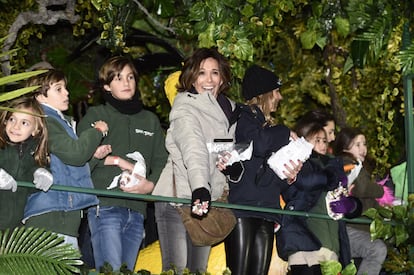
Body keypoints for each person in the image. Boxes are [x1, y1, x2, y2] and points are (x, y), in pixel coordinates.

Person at [152, 47, 239, 274]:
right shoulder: (185, 107)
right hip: (178, 197)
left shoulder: (230, 112)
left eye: (215, 72)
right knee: (176, 270)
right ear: (191, 77)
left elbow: (223, 153)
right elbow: (194, 149)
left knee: (199, 270)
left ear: (223, 77)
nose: (208, 79)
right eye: (201, 73)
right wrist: (200, 187)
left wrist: (233, 170)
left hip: (209, 200)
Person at [77, 55, 168, 271]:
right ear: (107, 86)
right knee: (111, 270)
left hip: (137, 212)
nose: (126, 83)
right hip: (105, 206)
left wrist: (151, 185)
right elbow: (79, 159)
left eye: (130, 77)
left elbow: (162, 160)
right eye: (118, 79)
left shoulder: (150, 120)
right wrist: (111, 159)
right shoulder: (96, 115)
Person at [222, 65, 302, 275]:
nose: (280, 97)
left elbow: (268, 175)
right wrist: (285, 132)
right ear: (264, 94)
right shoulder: (244, 117)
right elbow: (257, 145)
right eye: (276, 91)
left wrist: (288, 176)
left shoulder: (271, 128)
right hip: (243, 209)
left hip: (267, 210)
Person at [23, 69, 109, 250]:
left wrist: (92, 157)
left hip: (61, 215)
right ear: (40, 96)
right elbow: (75, 154)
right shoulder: (48, 121)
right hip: (53, 215)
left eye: (65, 88)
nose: (67, 93)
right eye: (58, 89)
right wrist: (96, 132)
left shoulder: (58, 121)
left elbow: (71, 165)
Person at [277, 121, 359, 275]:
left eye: (324, 141)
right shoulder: (297, 163)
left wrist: (351, 206)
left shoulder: (332, 164)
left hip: (331, 244)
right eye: (317, 140)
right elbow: (306, 181)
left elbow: (346, 201)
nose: (322, 144)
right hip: (304, 243)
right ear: (303, 140)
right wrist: (333, 175)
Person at [334, 127, 387, 275]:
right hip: (350, 228)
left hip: (359, 228)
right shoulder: (348, 163)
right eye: (357, 144)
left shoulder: (359, 166)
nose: (363, 148)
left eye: (364, 144)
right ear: (345, 146)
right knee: (377, 249)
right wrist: (380, 190)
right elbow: (362, 189)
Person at [0, 96, 51, 231]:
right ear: (5, 121)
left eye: (24, 123)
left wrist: (39, 173)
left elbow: (27, 186)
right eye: (12, 119)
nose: (15, 126)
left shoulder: (32, 154)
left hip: (13, 229)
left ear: (36, 130)